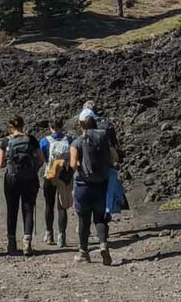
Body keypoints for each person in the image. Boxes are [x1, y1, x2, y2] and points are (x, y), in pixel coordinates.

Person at [69, 107, 119, 265]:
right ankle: (103, 244)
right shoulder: (104, 140)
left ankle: (83, 252)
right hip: (101, 184)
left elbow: (72, 165)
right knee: (100, 218)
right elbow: (115, 158)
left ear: (81, 124)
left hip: (83, 186)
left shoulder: (77, 142)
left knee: (84, 219)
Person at [0, 114, 44, 256]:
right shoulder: (31, 139)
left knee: (12, 209)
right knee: (28, 209)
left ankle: (12, 244)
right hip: (29, 178)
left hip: (12, 179)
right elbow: (41, 159)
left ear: (10, 127)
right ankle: (27, 243)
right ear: (23, 125)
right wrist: (33, 169)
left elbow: (0, 164)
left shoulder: (6, 141)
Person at [39, 119, 73, 248]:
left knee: (49, 204)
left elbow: (42, 159)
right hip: (64, 176)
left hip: (50, 174)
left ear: (50, 126)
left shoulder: (44, 141)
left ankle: (49, 234)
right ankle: (62, 236)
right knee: (62, 206)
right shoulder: (69, 140)